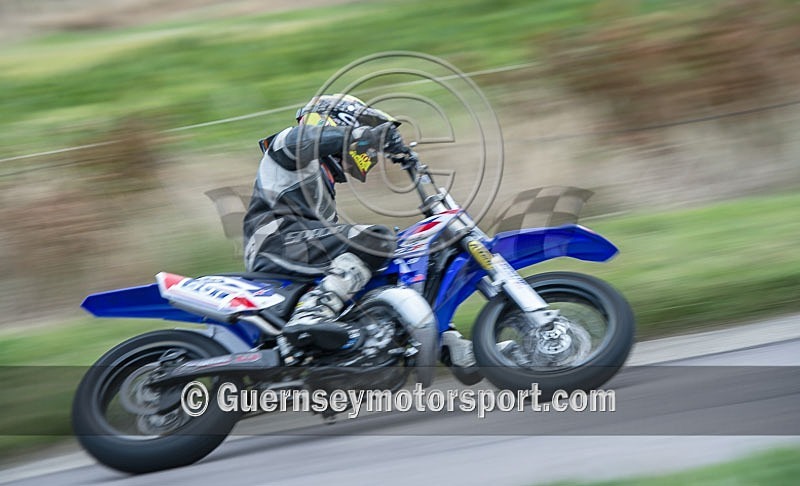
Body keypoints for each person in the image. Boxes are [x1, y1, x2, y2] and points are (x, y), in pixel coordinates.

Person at [242, 94, 410, 351]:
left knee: (395, 253)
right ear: (332, 122)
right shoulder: (289, 144)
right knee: (375, 237)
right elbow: (307, 139)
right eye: (359, 124)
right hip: (275, 242)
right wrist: (365, 135)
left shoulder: (324, 184)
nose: (369, 151)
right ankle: (310, 316)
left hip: (296, 244)